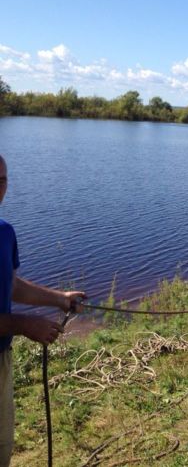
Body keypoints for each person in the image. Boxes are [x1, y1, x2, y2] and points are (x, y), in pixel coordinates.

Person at [0, 154, 85, 466]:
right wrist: (23, 324)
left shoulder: (5, 232)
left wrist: (60, 299)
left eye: (2, 180)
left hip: (2, 359)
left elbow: (10, 286)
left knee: (2, 447)